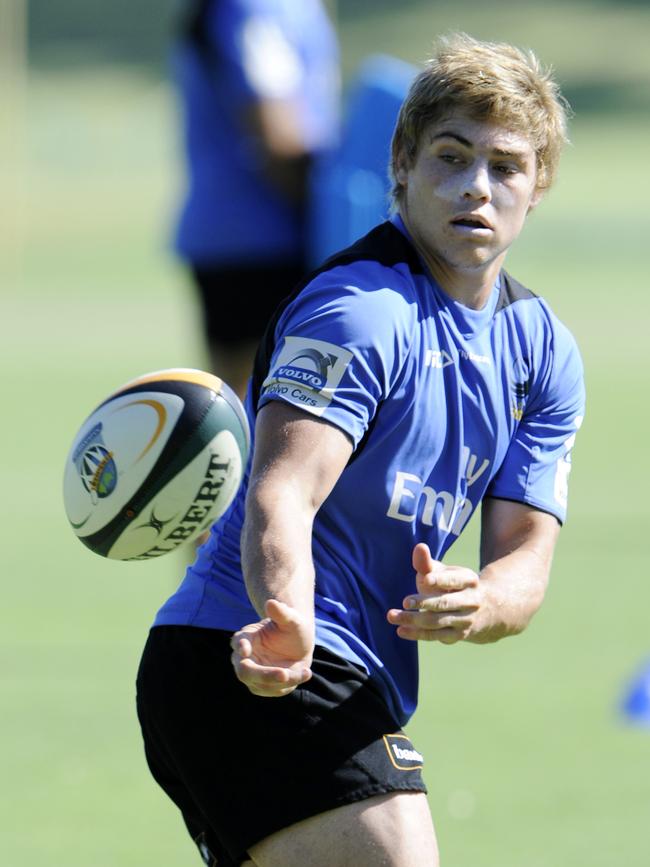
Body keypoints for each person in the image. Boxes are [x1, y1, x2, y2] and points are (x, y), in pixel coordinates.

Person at [137, 33, 585, 867]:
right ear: (403, 163)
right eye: (451, 157)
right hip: (244, 653)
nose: (475, 188)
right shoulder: (359, 311)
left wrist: (482, 599)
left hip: (331, 673)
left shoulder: (543, 354)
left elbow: (527, 562)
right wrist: (287, 616)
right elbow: (282, 496)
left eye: (505, 166)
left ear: (539, 186)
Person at [172, 0, 340, 398]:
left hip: (257, 236)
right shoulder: (254, 10)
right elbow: (277, 135)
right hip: (257, 242)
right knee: (259, 418)